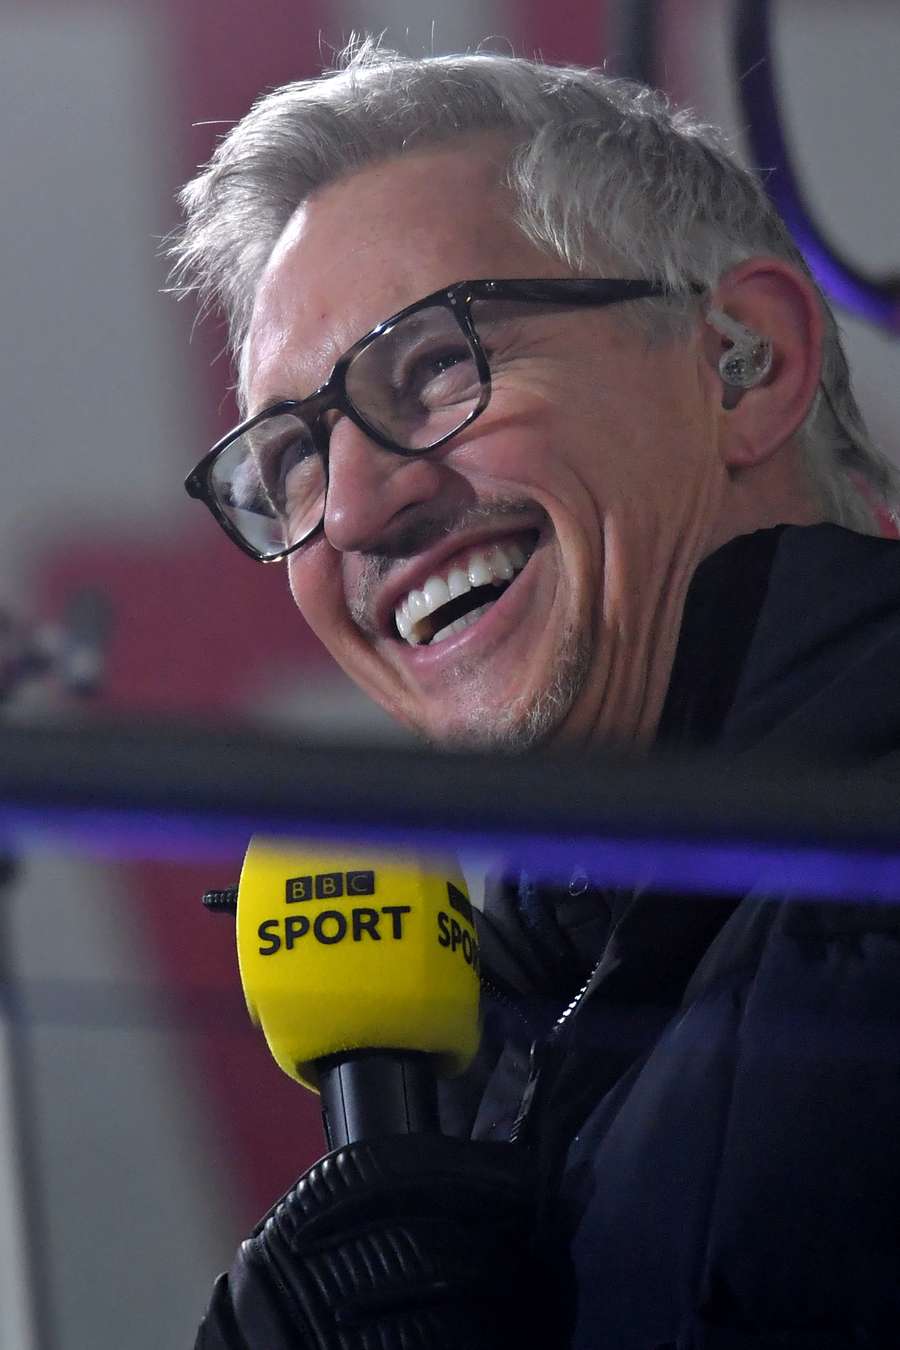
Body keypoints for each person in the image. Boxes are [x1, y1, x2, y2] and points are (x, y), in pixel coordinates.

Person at [171, 39, 900, 1348]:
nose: (354, 511)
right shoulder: (520, 1034)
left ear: (747, 357)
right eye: (290, 459)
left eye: (440, 367)